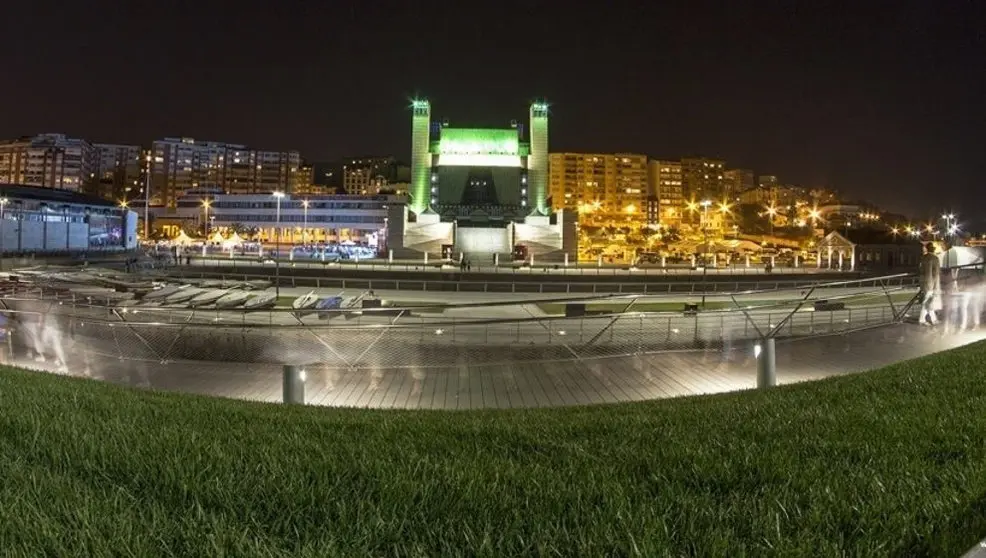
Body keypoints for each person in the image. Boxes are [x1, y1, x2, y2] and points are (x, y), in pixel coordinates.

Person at [918, 242, 941, 325]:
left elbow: (920, 270)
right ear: (933, 249)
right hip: (931, 284)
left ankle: (934, 319)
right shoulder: (935, 258)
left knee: (928, 302)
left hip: (923, 283)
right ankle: (922, 320)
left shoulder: (923, 257)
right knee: (927, 303)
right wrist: (936, 287)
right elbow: (936, 274)